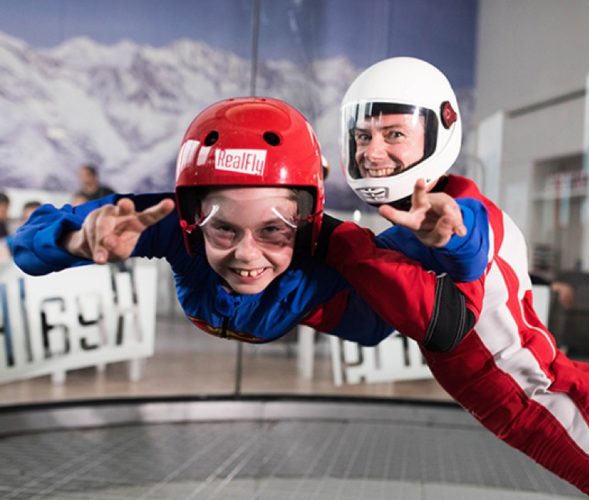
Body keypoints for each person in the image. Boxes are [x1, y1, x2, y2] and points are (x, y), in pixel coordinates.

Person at [330, 56, 589, 500]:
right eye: (363, 135)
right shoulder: (409, 237)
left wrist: (328, 238)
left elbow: (468, 243)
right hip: (552, 400)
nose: (371, 152)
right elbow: (369, 322)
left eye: (393, 133)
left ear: (440, 130)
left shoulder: (470, 214)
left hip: (561, 405)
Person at [12, 97, 477, 355]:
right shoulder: (169, 221)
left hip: (321, 302)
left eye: (274, 229)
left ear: (308, 220)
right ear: (194, 218)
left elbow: (436, 326)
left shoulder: (338, 247)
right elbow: (25, 246)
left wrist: (452, 243)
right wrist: (75, 239)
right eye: (223, 228)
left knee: (394, 259)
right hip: (302, 298)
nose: (247, 255)